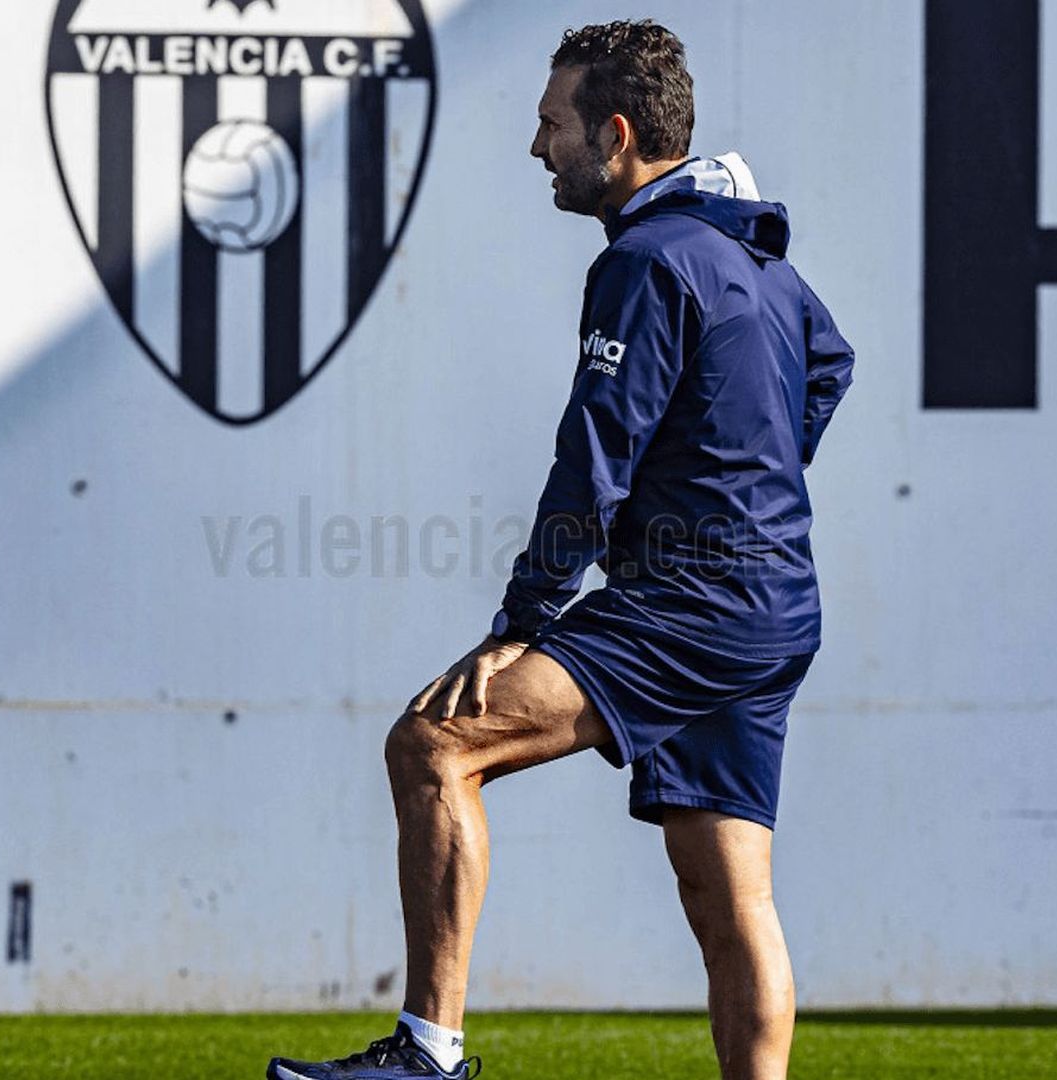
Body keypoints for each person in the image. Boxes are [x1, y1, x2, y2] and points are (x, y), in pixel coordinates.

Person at [267, 18, 854, 1080]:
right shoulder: (755, 259)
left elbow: (595, 455)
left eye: (552, 125)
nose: (539, 148)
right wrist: (753, 484)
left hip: (695, 601)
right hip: (773, 604)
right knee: (730, 898)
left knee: (434, 745)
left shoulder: (647, 258)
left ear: (615, 134)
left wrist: (523, 620)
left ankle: (429, 1054)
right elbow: (829, 364)